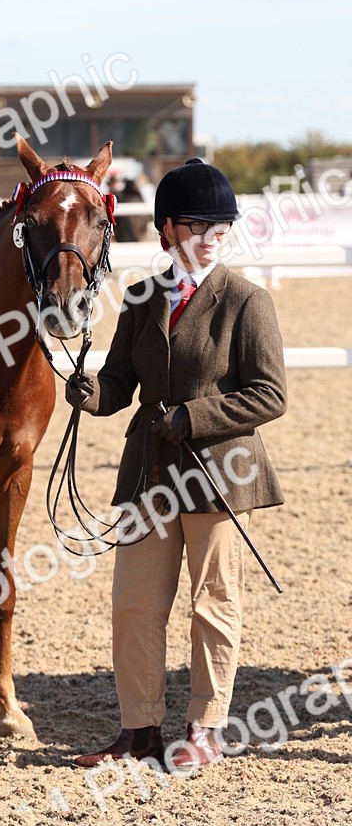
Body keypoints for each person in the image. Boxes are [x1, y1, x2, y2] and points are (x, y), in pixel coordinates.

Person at [66, 158, 287, 773]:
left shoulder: (246, 301)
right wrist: (89, 391)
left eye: (221, 225)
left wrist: (194, 417)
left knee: (211, 601)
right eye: (197, 224)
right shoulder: (141, 297)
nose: (211, 234)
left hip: (218, 473)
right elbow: (118, 383)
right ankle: (138, 730)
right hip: (149, 473)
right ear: (166, 229)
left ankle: (206, 727)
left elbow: (270, 393)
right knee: (135, 601)